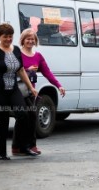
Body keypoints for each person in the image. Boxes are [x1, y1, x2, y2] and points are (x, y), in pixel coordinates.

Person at [0, 23, 38, 160]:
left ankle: (23, 147)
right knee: (3, 119)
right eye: (5, 36)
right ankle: (1, 152)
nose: (8, 39)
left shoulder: (17, 50)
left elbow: (21, 70)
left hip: (13, 89)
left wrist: (31, 87)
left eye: (10, 37)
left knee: (23, 114)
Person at [13, 28, 66, 156]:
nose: (30, 41)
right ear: (23, 40)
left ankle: (30, 145)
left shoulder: (38, 56)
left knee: (31, 116)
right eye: (28, 39)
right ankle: (19, 146)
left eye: (32, 39)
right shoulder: (18, 54)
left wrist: (58, 86)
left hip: (31, 91)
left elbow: (47, 73)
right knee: (24, 117)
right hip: (19, 91)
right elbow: (12, 72)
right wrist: (27, 69)